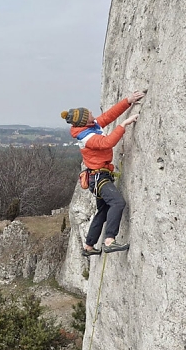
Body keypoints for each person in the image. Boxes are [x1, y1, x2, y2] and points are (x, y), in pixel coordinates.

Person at [61, 90, 145, 255]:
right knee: (118, 203)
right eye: (89, 113)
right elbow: (107, 143)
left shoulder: (91, 126)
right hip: (99, 178)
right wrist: (124, 125)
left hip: (97, 177)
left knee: (104, 211)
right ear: (85, 120)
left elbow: (108, 116)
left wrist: (128, 101)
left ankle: (89, 246)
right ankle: (109, 240)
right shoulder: (87, 137)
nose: (92, 113)